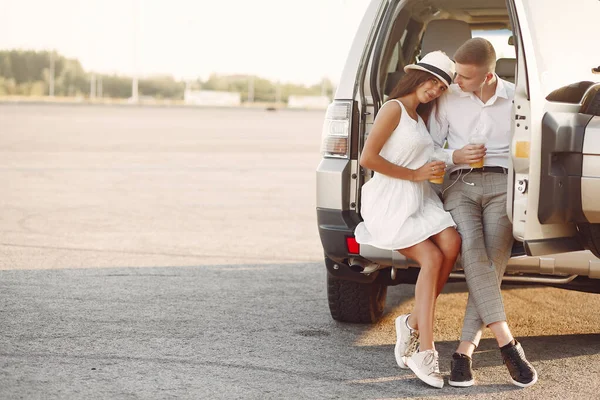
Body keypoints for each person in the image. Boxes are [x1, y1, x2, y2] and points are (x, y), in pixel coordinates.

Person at [429, 38, 538, 388]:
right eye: (456, 74)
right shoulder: (448, 97)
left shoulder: (518, 101)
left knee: (491, 262)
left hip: (503, 186)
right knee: (473, 250)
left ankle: (463, 351)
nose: (456, 81)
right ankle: (508, 344)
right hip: (460, 184)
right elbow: (428, 145)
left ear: (489, 76)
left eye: (464, 77)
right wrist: (455, 156)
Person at [354, 51, 461, 389]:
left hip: (418, 196)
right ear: (417, 77)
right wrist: (415, 174)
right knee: (431, 258)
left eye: (442, 87)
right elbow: (366, 159)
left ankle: (412, 323)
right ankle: (425, 350)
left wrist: (453, 157)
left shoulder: (419, 117)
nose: (436, 90)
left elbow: (428, 157)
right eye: (433, 81)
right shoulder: (394, 108)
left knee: (452, 243)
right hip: (391, 198)